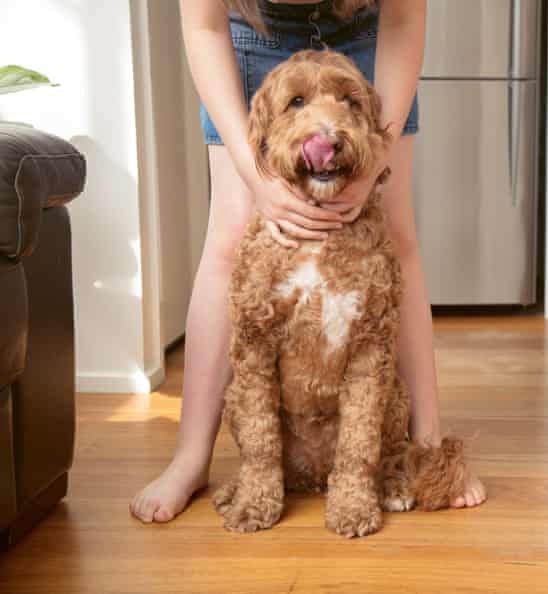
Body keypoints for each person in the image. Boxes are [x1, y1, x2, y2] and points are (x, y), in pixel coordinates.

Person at [130, 0, 486, 523]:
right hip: (250, 38)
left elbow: (406, 20)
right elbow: (203, 26)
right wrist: (257, 178)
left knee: (395, 234)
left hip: (369, 36)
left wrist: (374, 164)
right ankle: (191, 456)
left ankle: (425, 451)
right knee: (231, 236)